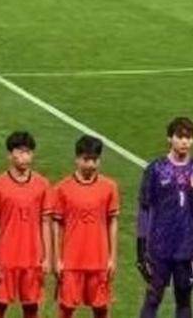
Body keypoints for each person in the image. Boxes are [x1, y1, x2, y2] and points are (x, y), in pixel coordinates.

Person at [138, 117, 193, 318]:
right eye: (180, 136)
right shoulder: (155, 169)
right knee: (153, 298)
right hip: (159, 246)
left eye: (189, 137)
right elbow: (144, 208)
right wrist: (141, 246)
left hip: (187, 247)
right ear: (169, 138)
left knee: (184, 299)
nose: (185, 142)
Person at [52, 135, 120, 318]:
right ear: (77, 159)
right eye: (86, 159)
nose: (91, 164)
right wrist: (57, 259)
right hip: (71, 261)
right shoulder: (62, 189)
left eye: (95, 160)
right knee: (66, 309)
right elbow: (57, 225)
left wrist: (112, 257)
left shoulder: (109, 187)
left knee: (101, 309)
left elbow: (112, 222)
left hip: (99, 260)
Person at [0, 131, 52, 318]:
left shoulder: (42, 184)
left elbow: (45, 222)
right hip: (6, 256)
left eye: (28, 152)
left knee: (31, 306)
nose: (25, 157)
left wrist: (47, 257)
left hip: (33, 257)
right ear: (10, 155)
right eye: (20, 152)